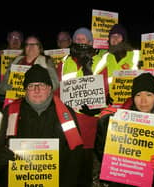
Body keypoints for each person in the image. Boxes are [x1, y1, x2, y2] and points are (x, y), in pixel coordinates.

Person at [0, 64, 84, 187]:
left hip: (56, 181)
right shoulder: (11, 111)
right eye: (31, 86)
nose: (37, 90)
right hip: (20, 181)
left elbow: (75, 153)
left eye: (42, 85)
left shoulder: (66, 113)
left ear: (50, 88)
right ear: (25, 90)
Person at [95, 72, 154, 187]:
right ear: (133, 98)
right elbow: (103, 155)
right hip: (126, 177)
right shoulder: (121, 118)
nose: (143, 101)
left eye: (148, 95)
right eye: (138, 95)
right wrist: (104, 125)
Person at [55, 27, 102, 187]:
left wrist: (98, 106)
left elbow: (106, 89)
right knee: (68, 162)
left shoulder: (99, 60)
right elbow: (56, 88)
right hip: (68, 119)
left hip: (88, 120)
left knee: (85, 164)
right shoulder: (64, 62)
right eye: (77, 39)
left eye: (84, 39)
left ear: (90, 42)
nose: (80, 41)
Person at [0, 35, 59, 102]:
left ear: (39, 47)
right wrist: (12, 87)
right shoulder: (15, 61)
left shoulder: (46, 62)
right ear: (25, 47)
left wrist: (38, 87)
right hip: (15, 104)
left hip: (38, 104)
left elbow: (55, 84)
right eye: (28, 44)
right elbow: (1, 89)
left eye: (34, 44)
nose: (31, 47)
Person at [92, 23, 140, 107]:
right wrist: (104, 96)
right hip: (111, 104)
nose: (115, 38)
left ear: (124, 39)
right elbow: (95, 80)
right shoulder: (105, 57)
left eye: (118, 35)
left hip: (132, 105)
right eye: (112, 36)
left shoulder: (136, 55)